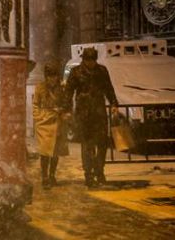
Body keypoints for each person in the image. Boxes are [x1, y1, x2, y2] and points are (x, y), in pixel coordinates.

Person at [65, 47, 118, 188]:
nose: (91, 63)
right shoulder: (76, 72)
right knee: (87, 145)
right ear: (84, 60)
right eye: (88, 60)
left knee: (102, 144)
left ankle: (99, 172)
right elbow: (68, 92)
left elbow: (109, 88)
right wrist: (67, 109)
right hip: (84, 114)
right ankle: (88, 175)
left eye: (93, 60)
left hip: (99, 112)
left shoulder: (102, 71)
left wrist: (114, 103)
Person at [32, 60, 69, 189]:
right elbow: (35, 104)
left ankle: (52, 175)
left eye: (54, 76)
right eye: (50, 76)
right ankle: (45, 177)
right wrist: (39, 117)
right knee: (45, 152)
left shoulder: (61, 88)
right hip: (45, 124)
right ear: (46, 77)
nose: (52, 79)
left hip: (58, 122)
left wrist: (64, 112)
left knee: (55, 152)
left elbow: (66, 103)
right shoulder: (40, 87)